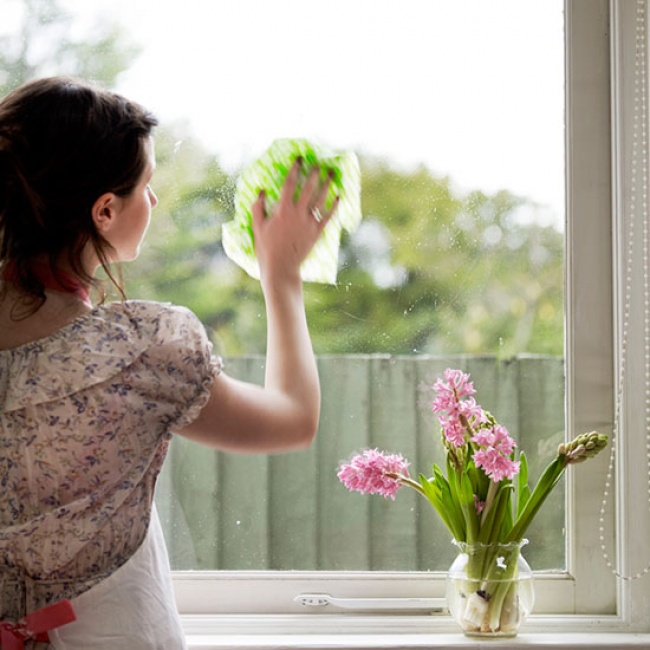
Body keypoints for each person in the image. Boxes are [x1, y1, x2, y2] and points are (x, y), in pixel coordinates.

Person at [0, 76, 337, 649]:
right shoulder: (137, 351)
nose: (153, 201)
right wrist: (281, 276)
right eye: (146, 186)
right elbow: (293, 419)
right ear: (104, 210)